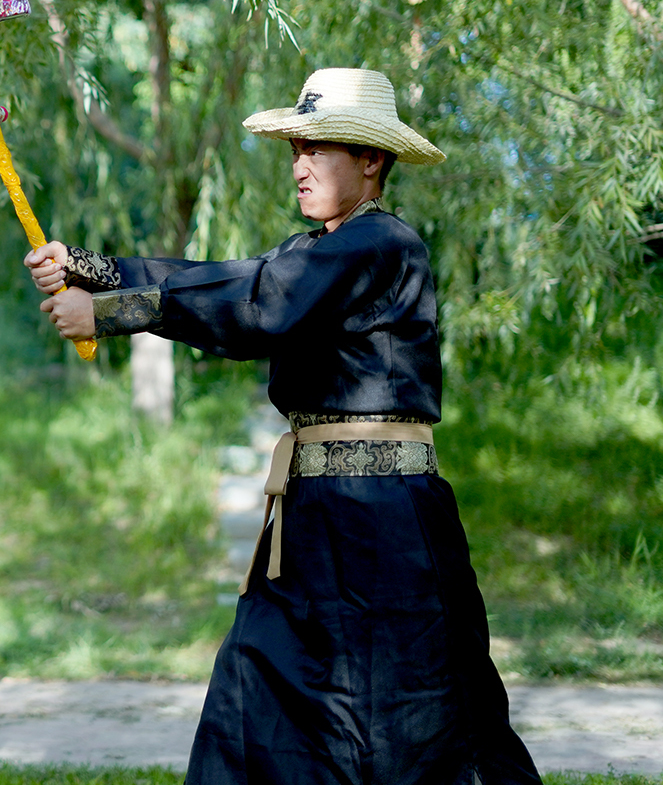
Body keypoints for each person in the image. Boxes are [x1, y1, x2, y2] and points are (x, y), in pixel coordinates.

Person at [26, 68, 541, 785]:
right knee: (255, 695)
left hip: (386, 528)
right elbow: (226, 277)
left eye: (318, 149)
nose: (300, 165)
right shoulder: (311, 252)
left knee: (411, 727)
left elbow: (260, 306)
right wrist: (93, 268)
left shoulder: (383, 245)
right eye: (296, 149)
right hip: (310, 519)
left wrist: (113, 313)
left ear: (371, 160)